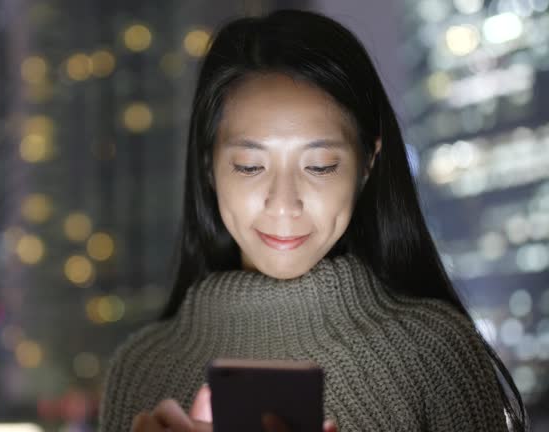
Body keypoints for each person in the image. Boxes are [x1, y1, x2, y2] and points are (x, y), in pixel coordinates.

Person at [97, 9, 529, 432]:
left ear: (367, 165)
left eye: (320, 166)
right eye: (249, 166)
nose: (283, 205)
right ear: (209, 168)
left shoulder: (435, 352)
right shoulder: (140, 370)